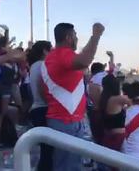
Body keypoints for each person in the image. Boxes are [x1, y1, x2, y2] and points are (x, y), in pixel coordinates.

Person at [40, 22, 104, 171]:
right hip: (65, 122)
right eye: (75, 35)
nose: (77, 39)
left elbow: (81, 61)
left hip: (71, 120)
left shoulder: (57, 57)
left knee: (72, 163)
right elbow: (84, 60)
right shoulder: (61, 54)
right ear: (69, 37)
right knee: (67, 166)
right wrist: (96, 35)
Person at [28, 40, 53, 171]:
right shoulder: (43, 65)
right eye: (51, 49)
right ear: (45, 51)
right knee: (49, 151)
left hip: (37, 109)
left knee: (46, 150)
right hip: (43, 109)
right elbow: (42, 88)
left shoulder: (34, 66)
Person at [98, 74, 131, 150]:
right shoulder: (119, 99)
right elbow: (134, 104)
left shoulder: (103, 98)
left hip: (107, 134)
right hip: (118, 136)